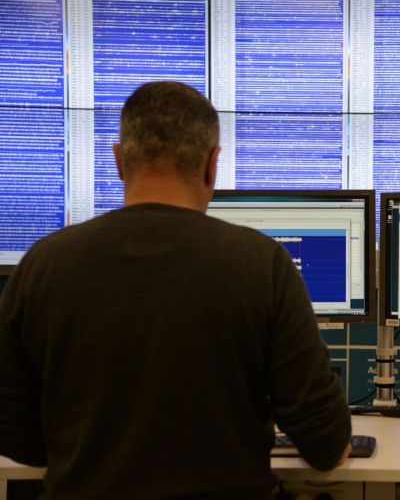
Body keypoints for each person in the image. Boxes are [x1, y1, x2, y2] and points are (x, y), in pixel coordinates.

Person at [0, 81, 352, 500]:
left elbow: (13, 430)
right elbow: (324, 443)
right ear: (211, 163)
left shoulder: (44, 263)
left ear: (118, 160)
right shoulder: (261, 264)